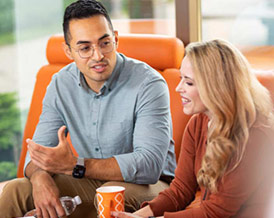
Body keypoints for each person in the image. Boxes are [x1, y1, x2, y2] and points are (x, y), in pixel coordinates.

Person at [0, 0, 176, 217]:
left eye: (105, 43)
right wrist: (40, 179)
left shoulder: (149, 84)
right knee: (15, 190)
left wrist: (75, 166)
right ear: (68, 50)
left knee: (107, 196)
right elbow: (36, 155)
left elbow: (149, 166)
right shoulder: (60, 83)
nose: (98, 55)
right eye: (85, 48)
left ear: (116, 39)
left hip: (152, 185)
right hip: (89, 181)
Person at [112, 39, 274, 218]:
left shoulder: (255, 136)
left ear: (215, 87)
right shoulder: (198, 124)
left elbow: (216, 212)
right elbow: (180, 190)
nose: (178, 88)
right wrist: (139, 216)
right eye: (181, 79)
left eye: (188, 83)